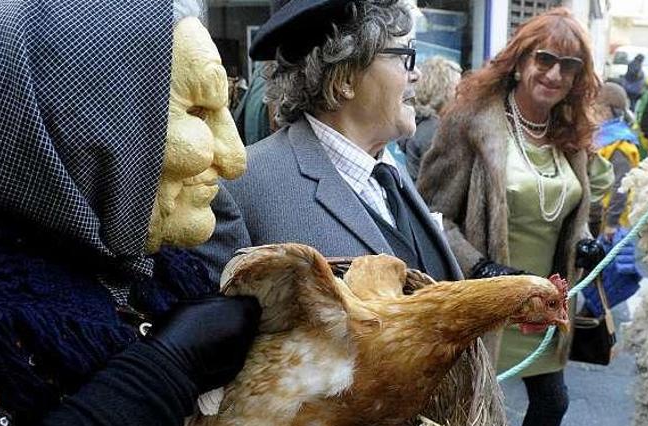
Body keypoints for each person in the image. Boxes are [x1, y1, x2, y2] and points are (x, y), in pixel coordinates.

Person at [0, 1, 262, 426]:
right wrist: (166, 369)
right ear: (78, 130)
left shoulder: (154, 270)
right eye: (196, 111)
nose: (235, 158)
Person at [416, 8, 613, 426]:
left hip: (544, 302)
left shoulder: (569, 136)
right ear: (520, 60)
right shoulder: (471, 122)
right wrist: (480, 267)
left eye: (568, 66)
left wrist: (585, 241)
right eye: (544, 59)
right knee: (470, 412)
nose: (553, 74)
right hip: (484, 297)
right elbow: (433, 214)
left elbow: (569, 205)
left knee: (552, 401)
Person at [195, 0, 461, 284]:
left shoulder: (387, 171)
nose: (416, 73)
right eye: (404, 55)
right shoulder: (242, 188)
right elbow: (225, 323)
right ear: (344, 78)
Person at [397, 56, 462, 181]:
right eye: (456, 89)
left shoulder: (419, 126)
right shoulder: (436, 132)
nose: (460, 95)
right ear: (441, 89)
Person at [590, 82, 641, 239]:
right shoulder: (602, 136)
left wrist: (611, 223)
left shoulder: (619, 144)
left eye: (593, 108)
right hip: (595, 214)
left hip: (608, 221)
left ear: (605, 111)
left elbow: (621, 185)